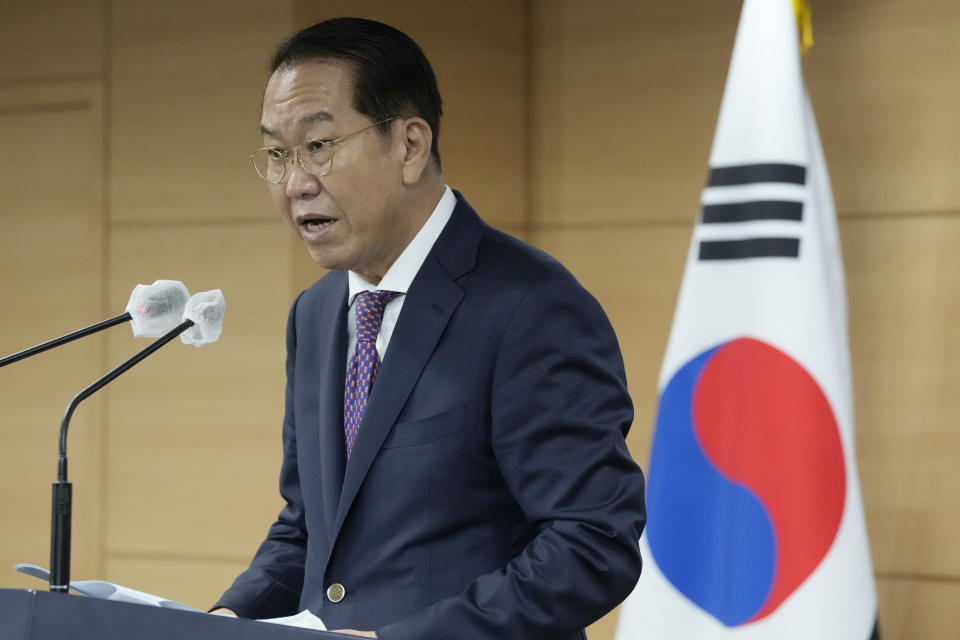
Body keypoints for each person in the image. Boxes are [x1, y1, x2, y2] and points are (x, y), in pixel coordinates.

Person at [211, 17, 646, 639]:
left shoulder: (530, 306)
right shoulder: (317, 314)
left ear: (410, 146)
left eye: (319, 146)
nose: (295, 183)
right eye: (277, 155)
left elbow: (592, 542)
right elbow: (311, 527)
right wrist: (230, 618)